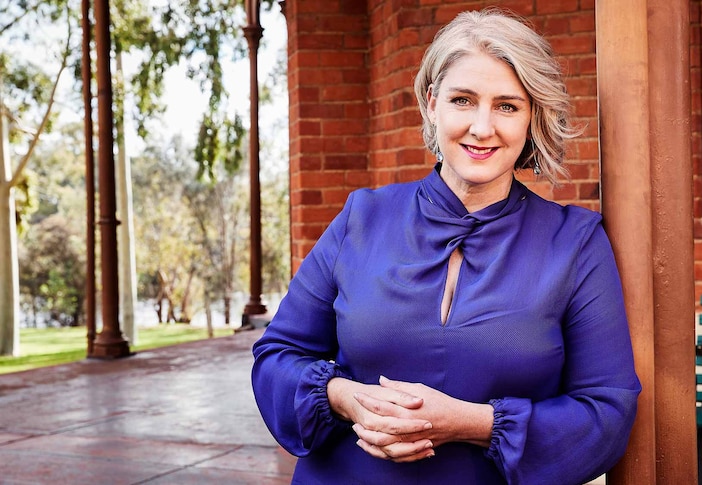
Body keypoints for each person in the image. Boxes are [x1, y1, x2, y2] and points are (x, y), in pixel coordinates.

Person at [251, 8, 641, 485]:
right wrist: (343, 397)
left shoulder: (576, 243)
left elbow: (607, 410)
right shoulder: (362, 218)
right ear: (432, 103)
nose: (482, 127)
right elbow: (277, 356)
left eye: (507, 105)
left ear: (532, 116)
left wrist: (474, 424)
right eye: (463, 100)